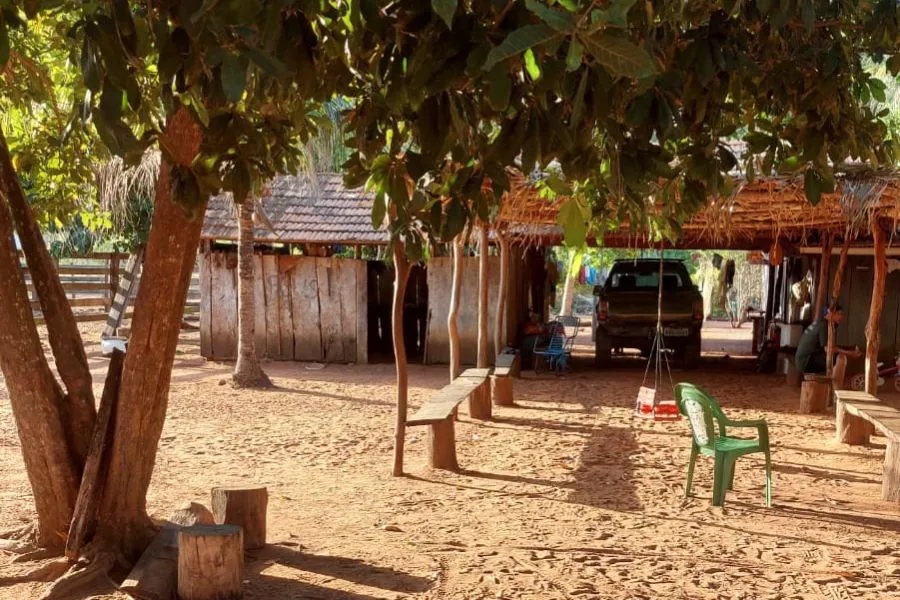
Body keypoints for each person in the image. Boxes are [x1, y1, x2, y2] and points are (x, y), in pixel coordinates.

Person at [795, 304, 860, 374]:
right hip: (805, 362)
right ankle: (835, 381)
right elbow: (828, 349)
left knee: (836, 354)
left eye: (841, 314)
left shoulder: (820, 322)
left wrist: (850, 349)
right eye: (838, 314)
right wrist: (850, 354)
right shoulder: (824, 325)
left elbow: (830, 347)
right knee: (839, 357)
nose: (841, 317)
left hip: (803, 360)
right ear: (829, 314)